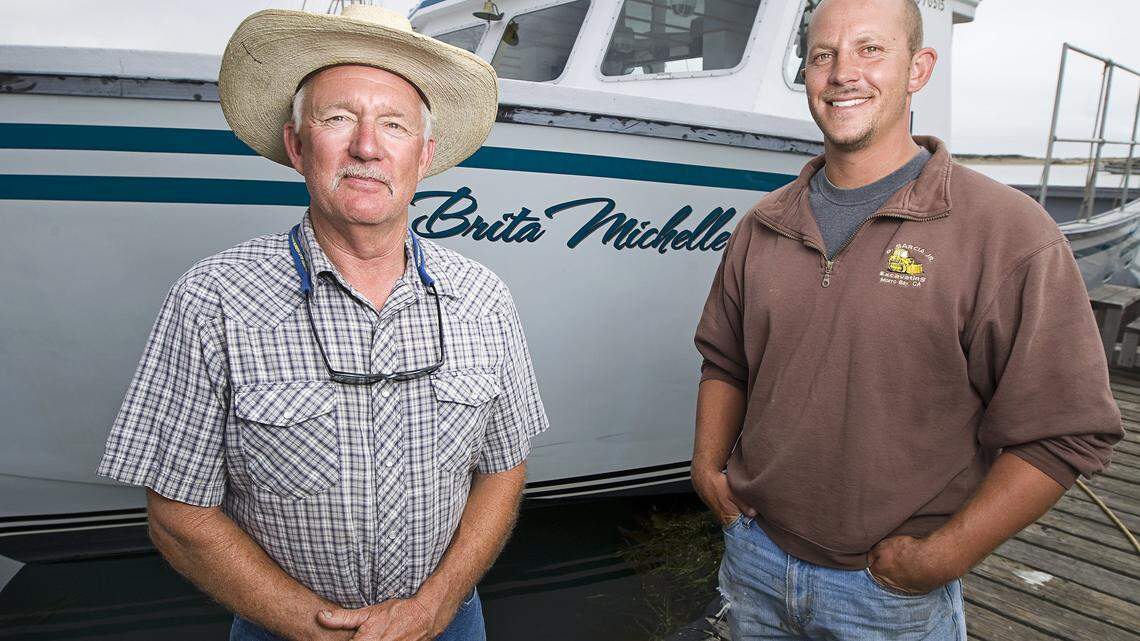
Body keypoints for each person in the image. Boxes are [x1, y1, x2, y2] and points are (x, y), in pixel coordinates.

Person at [97, 6, 548, 640]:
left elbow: (504, 466)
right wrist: (316, 629)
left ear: (424, 156)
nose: (367, 145)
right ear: (297, 144)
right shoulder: (211, 299)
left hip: (448, 624)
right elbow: (177, 513)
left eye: (393, 125)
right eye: (338, 119)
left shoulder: (484, 297)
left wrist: (437, 606)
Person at [691, 0, 1123, 638]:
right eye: (822, 55)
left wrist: (943, 557)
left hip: (886, 594)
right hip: (755, 563)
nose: (842, 73)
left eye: (870, 50)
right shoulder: (764, 225)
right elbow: (725, 361)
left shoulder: (1008, 233)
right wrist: (707, 470)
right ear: (806, 74)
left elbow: (1067, 432)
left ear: (919, 68)